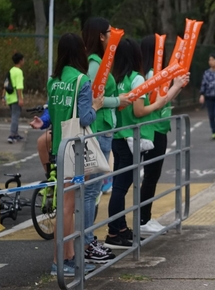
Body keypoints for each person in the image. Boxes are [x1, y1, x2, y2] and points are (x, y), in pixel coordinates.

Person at [105, 38, 182, 249]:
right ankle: (114, 232)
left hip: (118, 137)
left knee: (120, 185)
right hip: (131, 137)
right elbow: (139, 111)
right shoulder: (136, 78)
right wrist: (158, 104)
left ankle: (120, 229)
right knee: (121, 187)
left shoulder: (115, 78)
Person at [47, 33, 103, 277]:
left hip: (59, 146)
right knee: (67, 207)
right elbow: (85, 118)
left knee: (65, 205)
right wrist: (96, 106)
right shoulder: (82, 80)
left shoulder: (54, 81)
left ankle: (68, 257)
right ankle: (59, 261)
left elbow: (53, 113)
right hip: (75, 149)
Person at [82, 17, 132, 263]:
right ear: (101, 36)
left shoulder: (100, 62)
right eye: (110, 32)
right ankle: (86, 242)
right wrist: (118, 100)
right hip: (98, 130)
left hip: (104, 130)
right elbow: (94, 100)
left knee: (93, 190)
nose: (114, 35)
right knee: (91, 191)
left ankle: (87, 241)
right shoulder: (94, 64)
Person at [138, 35, 189, 235]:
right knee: (151, 174)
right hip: (155, 129)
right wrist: (176, 86)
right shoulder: (153, 73)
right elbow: (160, 100)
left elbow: (165, 99)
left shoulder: (149, 72)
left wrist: (177, 85)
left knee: (150, 175)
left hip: (155, 127)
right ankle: (143, 219)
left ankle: (144, 217)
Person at [3, 52, 25, 143]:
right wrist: (20, 98)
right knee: (15, 116)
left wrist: (3, 96)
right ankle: (12, 135)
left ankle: (15, 134)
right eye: (23, 59)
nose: (24, 61)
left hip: (9, 96)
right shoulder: (19, 72)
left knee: (14, 115)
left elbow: (5, 84)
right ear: (20, 61)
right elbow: (19, 86)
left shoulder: (11, 70)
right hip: (16, 97)